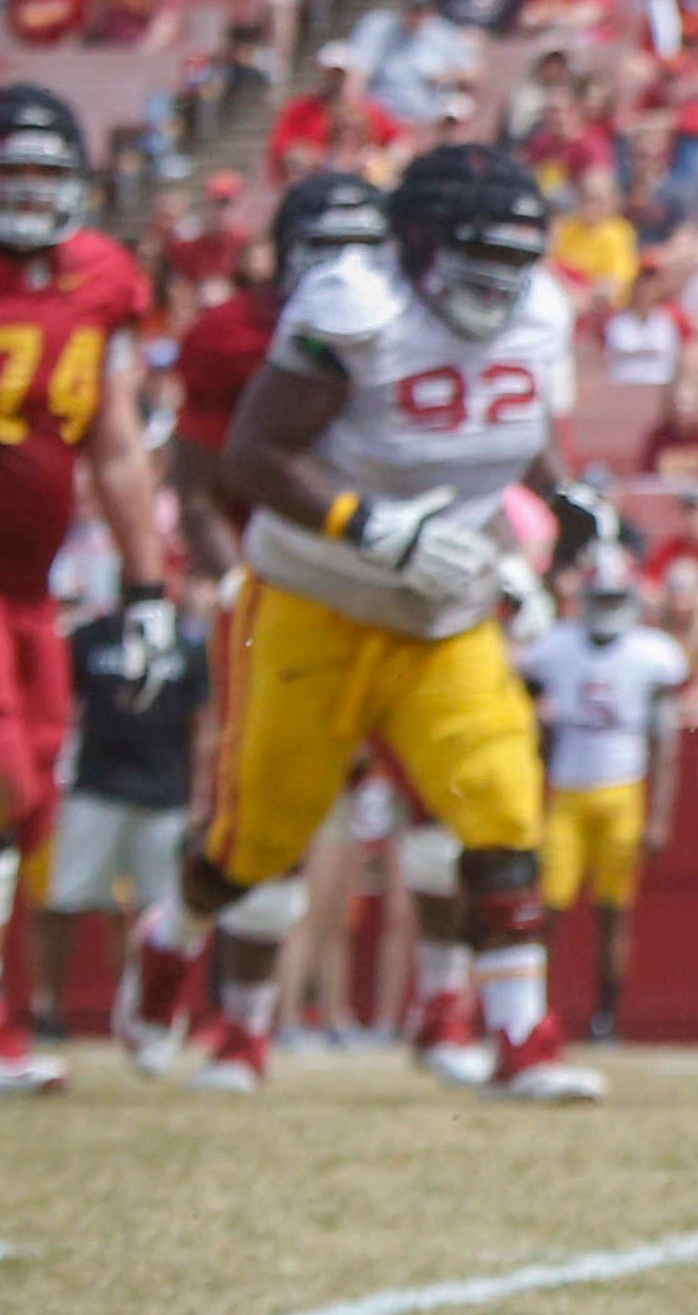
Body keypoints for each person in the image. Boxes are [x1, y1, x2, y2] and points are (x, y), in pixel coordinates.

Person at [121, 145, 620, 1102]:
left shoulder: (542, 310)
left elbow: (512, 425)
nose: (497, 285)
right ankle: (169, 938)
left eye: (516, 261)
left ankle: (521, 1036)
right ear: (417, 246)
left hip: (444, 605)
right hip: (317, 595)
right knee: (259, 840)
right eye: (477, 258)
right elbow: (255, 460)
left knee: (503, 798)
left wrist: (564, 499)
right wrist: (367, 525)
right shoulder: (356, 305)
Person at [0, 89, 173, 1093]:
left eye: (47, 175)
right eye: (9, 175)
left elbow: (114, 443)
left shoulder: (103, 275)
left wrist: (148, 583)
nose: (29, 197)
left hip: (32, 580)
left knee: (24, 800)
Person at [520, 551, 691, 1044]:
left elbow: (666, 743)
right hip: (567, 792)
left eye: (616, 597)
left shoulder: (650, 653)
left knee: (614, 910)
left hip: (623, 790)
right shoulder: (557, 646)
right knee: (545, 909)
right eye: (602, 598)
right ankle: (534, 1014)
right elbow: (524, 699)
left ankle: (605, 1017)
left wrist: (658, 814)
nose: (608, 607)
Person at [29, 597, 207, 1062]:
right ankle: (48, 1006)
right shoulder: (93, 635)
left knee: (157, 913)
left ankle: (146, 1011)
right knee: (63, 900)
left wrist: (200, 795)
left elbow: (202, 722)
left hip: (164, 793)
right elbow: (57, 701)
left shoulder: (187, 643)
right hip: (94, 787)